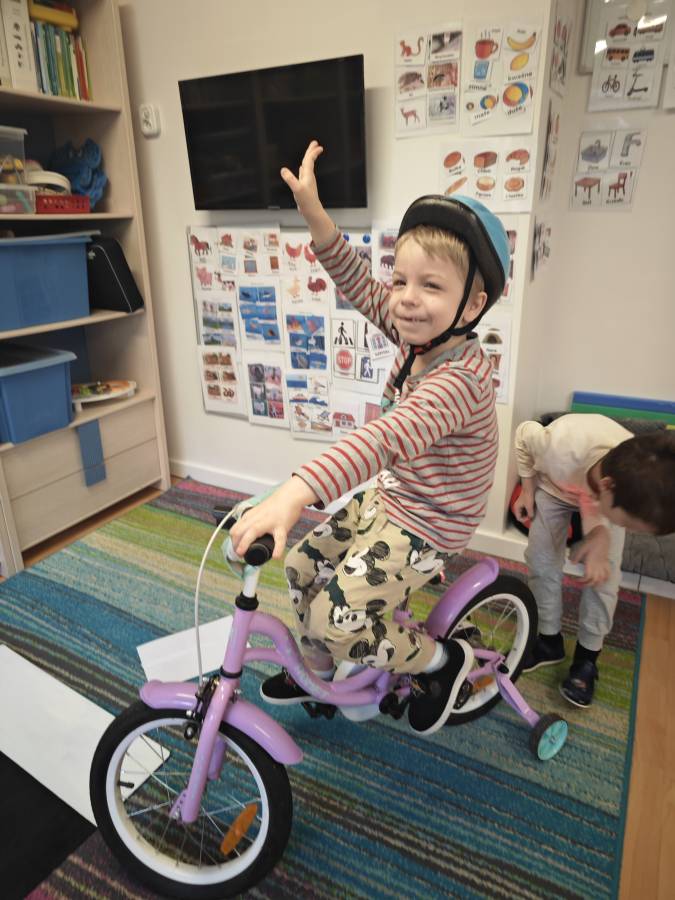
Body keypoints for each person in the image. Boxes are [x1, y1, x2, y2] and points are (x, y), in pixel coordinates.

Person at [231, 140, 511, 735]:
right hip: (393, 496)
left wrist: (295, 492)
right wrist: (313, 212)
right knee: (301, 566)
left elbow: (383, 439)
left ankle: (441, 662)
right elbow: (358, 280)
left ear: (472, 305)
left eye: (431, 286)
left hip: (431, 521)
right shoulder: (419, 334)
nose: (406, 298)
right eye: (401, 279)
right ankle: (323, 675)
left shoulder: (461, 379)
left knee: (336, 619)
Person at [513, 414, 675, 707]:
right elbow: (524, 434)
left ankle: (587, 658)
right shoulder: (557, 445)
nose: (628, 531)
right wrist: (526, 490)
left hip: (596, 492)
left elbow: (594, 501)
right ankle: (548, 641)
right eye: (628, 524)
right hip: (557, 487)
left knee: (605, 575)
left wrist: (600, 534)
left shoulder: (631, 480)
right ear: (608, 487)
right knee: (541, 559)